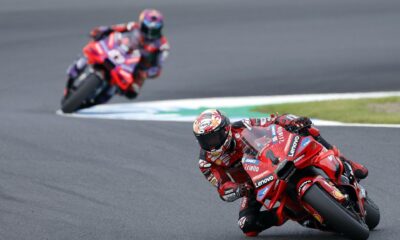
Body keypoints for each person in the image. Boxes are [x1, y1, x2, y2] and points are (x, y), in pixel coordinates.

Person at [193, 109, 368, 237]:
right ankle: (290, 212)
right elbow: (222, 187)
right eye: (205, 140)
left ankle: (345, 160)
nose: (211, 143)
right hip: (253, 184)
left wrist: (288, 121)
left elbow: (272, 121)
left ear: (225, 129)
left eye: (213, 137)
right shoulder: (206, 162)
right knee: (247, 226)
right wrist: (239, 189)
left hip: (276, 158)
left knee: (304, 127)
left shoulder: (243, 125)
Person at [65, 8, 170, 104]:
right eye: (147, 29)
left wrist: (148, 72)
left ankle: (107, 93)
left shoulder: (162, 45)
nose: (150, 33)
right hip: (119, 52)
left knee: (132, 91)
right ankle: (69, 85)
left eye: (154, 30)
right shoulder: (132, 26)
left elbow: (158, 66)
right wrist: (100, 30)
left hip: (135, 67)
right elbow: (114, 28)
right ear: (142, 24)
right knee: (89, 51)